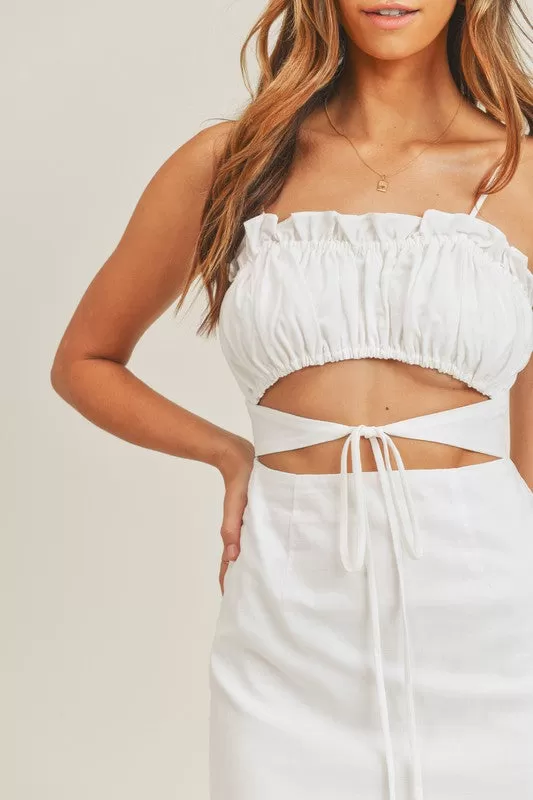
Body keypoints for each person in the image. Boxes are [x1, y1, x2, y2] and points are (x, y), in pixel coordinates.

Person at [51, 1, 533, 798]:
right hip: (289, 604)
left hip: (489, 606)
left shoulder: (519, 170)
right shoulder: (234, 162)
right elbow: (85, 360)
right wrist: (227, 452)